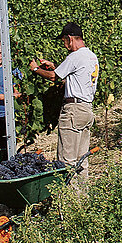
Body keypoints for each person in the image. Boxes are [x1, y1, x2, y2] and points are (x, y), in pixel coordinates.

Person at [29, 22, 99, 179]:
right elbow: (74, 78)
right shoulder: (91, 57)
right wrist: (54, 66)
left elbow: (54, 77)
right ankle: (81, 198)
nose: (64, 45)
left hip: (73, 111)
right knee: (82, 160)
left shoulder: (75, 56)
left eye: (64, 41)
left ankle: (67, 199)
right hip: (86, 110)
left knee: (66, 161)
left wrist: (35, 69)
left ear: (70, 38)